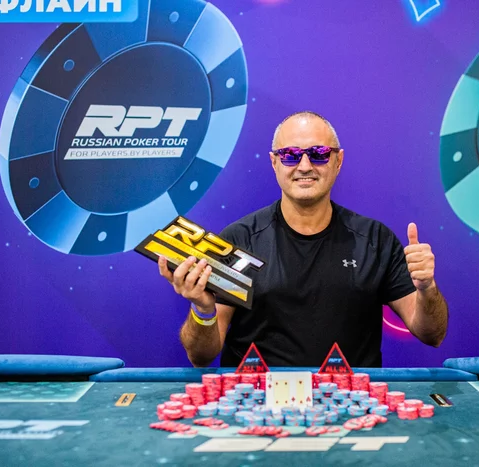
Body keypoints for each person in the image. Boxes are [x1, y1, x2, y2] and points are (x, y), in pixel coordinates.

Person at [158, 111, 448, 368]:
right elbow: (201, 356)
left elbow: (432, 333)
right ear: (274, 162)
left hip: (353, 403)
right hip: (256, 403)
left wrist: (427, 289)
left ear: (338, 161)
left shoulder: (375, 240)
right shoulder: (239, 240)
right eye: (290, 155)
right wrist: (203, 309)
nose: (305, 165)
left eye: (319, 153)